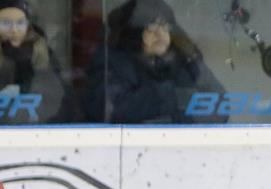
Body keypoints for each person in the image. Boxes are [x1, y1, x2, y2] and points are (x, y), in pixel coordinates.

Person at [82, 0, 226, 123]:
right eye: (151, 27)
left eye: (164, 26)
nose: (159, 34)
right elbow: (108, 111)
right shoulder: (110, 61)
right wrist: (173, 96)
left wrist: (185, 60)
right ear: (134, 33)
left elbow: (221, 106)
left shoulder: (183, 61)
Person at [0, 0, 76, 123]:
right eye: (5, 23)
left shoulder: (43, 53)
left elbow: (60, 100)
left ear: (28, 25)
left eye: (20, 23)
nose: (14, 30)